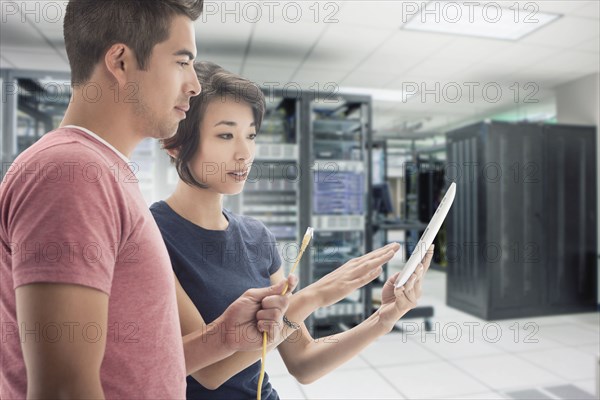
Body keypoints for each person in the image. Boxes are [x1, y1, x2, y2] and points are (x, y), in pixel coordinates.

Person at [0, 2, 294, 398]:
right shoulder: (69, 173)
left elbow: (133, 363)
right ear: (120, 62)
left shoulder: (107, 172)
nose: (193, 84)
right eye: (181, 62)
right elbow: (64, 390)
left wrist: (222, 338)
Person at [150, 61, 434, 399]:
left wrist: (385, 318)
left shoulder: (257, 237)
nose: (244, 153)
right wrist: (315, 296)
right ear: (176, 143)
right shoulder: (151, 235)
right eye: (226, 135)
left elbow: (303, 361)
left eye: (251, 135)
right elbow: (209, 373)